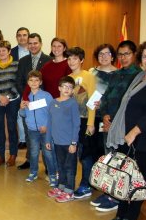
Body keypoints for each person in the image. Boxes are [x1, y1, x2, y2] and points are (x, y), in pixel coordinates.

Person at [93, 40, 142, 212]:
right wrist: (105, 115)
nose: (123, 57)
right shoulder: (116, 74)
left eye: (127, 54)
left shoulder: (139, 76)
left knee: (122, 162)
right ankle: (110, 191)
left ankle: (117, 196)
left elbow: (130, 104)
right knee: (109, 158)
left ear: (134, 54)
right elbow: (105, 97)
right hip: (108, 123)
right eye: (120, 54)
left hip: (124, 126)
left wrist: (114, 120)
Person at [103, 69, 146, 220]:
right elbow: (125, 104)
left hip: (140, 137)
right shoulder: (139, 77)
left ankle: (131, 218)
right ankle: (121, 214)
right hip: (126, 135)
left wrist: (135, 131)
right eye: (143, 56)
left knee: (139, 180)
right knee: (124, 176)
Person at [16, 33, 51, 170]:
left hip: (43, 104)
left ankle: (48, 166)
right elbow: (19, 81)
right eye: (30, 43)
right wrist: (27, 97)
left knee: (46, 134)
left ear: (41, 43)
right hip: (28, 102)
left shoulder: (49, 60)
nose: (32, 46)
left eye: (35, 43)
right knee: (30, 133)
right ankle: (30, 161)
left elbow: (48, 83)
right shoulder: (23, 60)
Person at [66, 47, 96, 200]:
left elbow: (92, 100)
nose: (71, 61)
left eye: (75, 59)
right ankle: (73, 183)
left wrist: (91, 123)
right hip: (72, 122)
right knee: (75, 153)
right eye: (69, 59)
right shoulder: (68, 77)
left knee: (85, 154)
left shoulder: (88, 76)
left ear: (81, 60)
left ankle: (86, 185)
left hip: (85, 120)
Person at [46, 76, 80, 203]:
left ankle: (69, 191)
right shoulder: (53, 103)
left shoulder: (72, 103)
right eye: (64, 86)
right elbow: (49, 122)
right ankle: (61, 187)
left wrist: (73, 142)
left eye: (70, 87)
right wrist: (48, 140)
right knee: (60, 166)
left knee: (70, 168)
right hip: (57, 142)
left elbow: (76, 124)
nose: (67, 89)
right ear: (59, 88)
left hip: (69, 143)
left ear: (72, 90)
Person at [19, 70, 56, 185]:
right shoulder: (26, 97)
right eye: (31, 80)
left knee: (48, 153)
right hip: (32, 131)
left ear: (40, 82)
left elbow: (52, 113)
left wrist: (47, 126)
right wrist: (21, 108)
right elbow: (23, 115)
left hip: (45, 130)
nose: (34, 82)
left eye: (36, 80)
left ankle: (52, 174)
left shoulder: (46, 96)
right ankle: (33, 172)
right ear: (28, 83)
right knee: (34, 153)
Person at [89, 44, 117, 161]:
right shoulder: (91, 72)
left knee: (107, 149)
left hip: (109, 117)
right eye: (101, 54)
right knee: (91, 150)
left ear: (112, 57)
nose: (104, 56)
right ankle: (93, 176)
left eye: (107, 53)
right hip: (92, 116)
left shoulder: (119, 74)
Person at [11, 27, 30, 150]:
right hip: (16, 88)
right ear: (16, 37)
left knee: (32, 114)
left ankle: (32, 139)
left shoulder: (34, 50)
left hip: (33, 88)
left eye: (24, 35)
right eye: (19, 35)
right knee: (19, 114)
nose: (22, 37)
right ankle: (23, 140)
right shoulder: (11, 52)